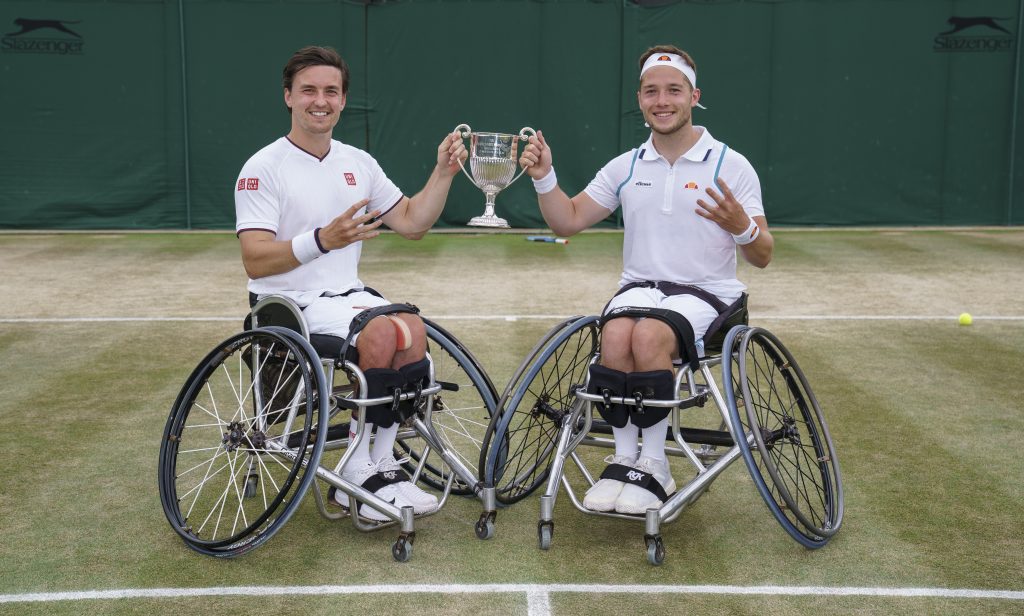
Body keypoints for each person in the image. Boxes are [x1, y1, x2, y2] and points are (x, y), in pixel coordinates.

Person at [519, 45, 774, 515]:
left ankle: (654, 465)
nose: (663, 100)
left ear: (693, 96)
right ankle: (623, 459)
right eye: (652, 91)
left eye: (673, 90)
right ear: (639, 98)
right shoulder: (627, 165)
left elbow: (762, 255)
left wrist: (742, 225)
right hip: (639, 291)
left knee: (650, 335)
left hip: (708, 296)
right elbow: (568, 221)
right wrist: (543, 176)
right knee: (616, 334)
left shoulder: (731, 165)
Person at [234, 45, 467, 521]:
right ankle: (361, 474)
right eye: (309, 91)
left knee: (413, 330)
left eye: (331, 92)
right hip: (288, 303)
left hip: (348, 296)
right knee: (382, 332)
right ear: (288, 97)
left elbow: (411, 222)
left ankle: (376, 465)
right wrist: (322, 240)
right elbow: (255, 261)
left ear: (343, 101)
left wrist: (442, 173)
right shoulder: (262, 168)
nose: (320, 101)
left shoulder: (358, 161)